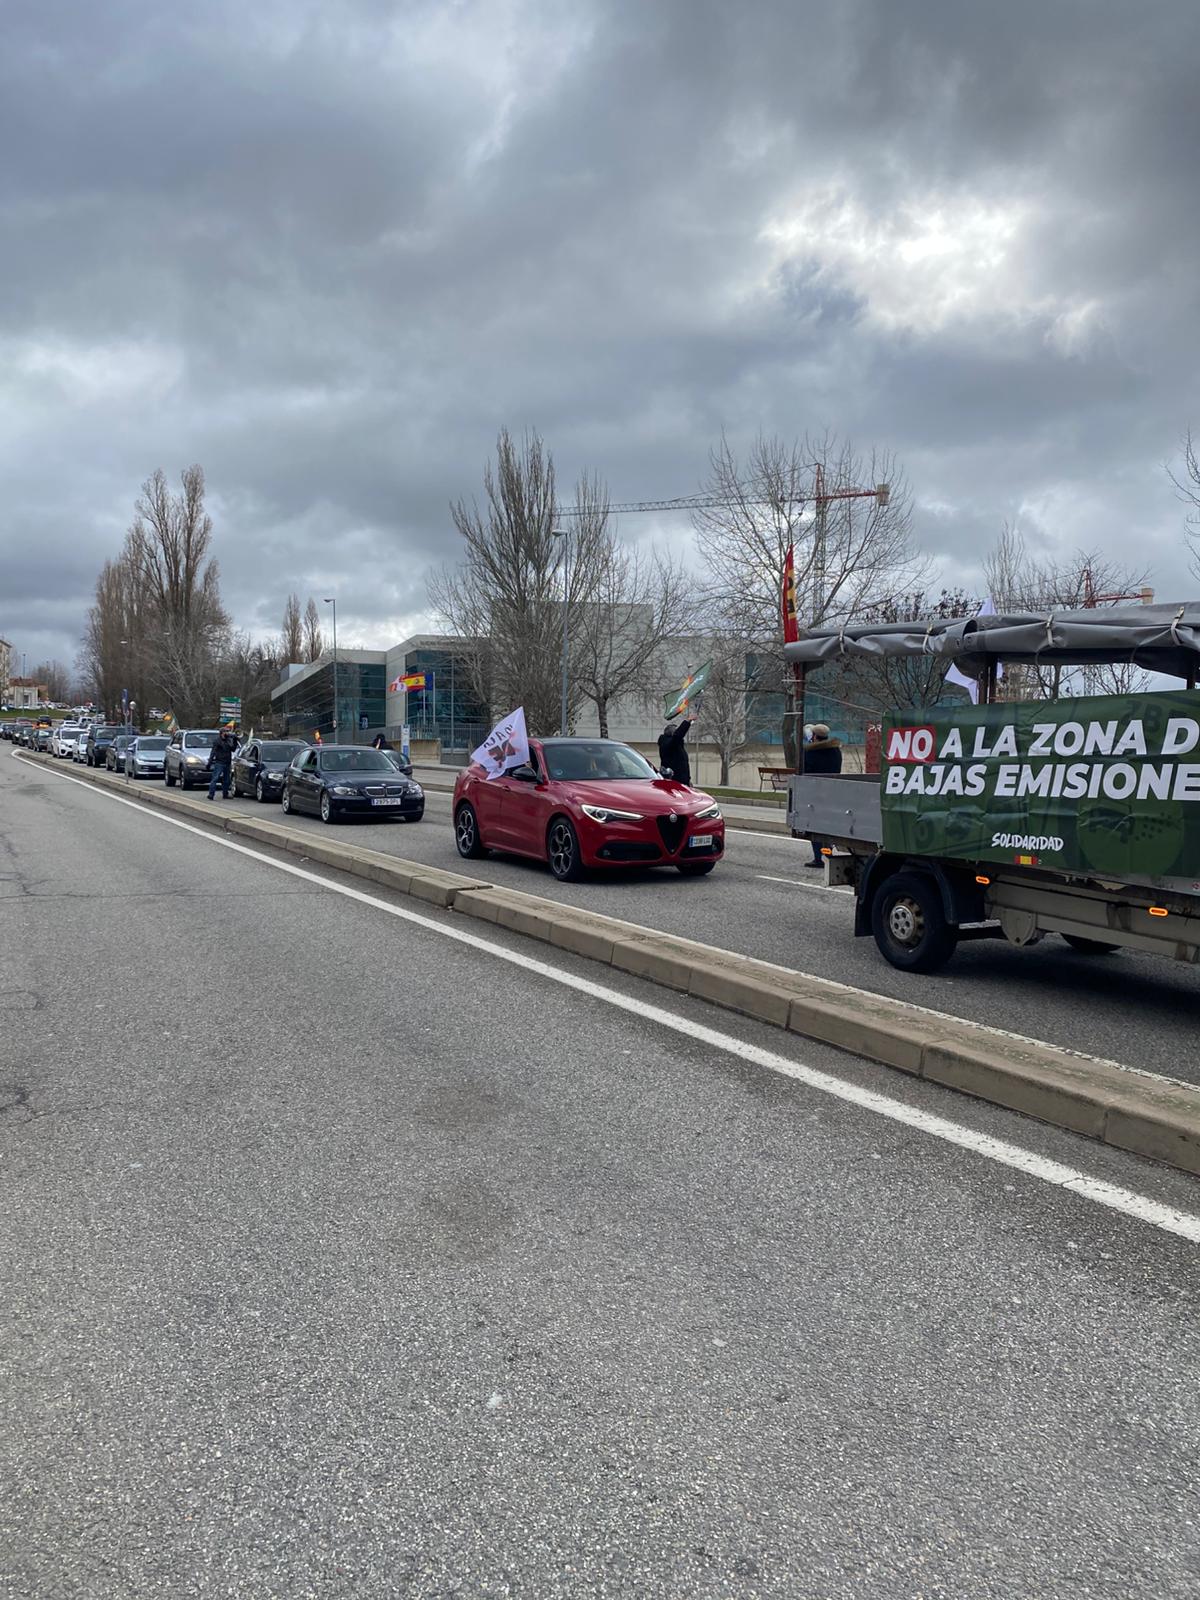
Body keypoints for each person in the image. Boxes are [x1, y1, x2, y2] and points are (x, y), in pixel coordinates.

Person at [801, 722, 842, 867]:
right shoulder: (836, 751)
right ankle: (828, 854)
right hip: (832, 792)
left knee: (815, 828)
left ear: (815, 736)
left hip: (816, 793)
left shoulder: (811, 752)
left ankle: (819, 858)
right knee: (827, 827)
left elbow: (805, 770)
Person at [657, 717, 694, 786]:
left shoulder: (674, 745)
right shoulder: (669, 744)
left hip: (681, 780)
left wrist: (687, 780)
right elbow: (678, 735)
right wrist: (687, 721)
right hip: (675, 781)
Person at [206, 724, 239, 800]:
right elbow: (213, 752)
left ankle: (225, 794)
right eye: (226, 731)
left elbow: (233, 749)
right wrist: (209, 762)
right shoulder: (217, 741)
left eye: (228, 731)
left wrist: (235, 741)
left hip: (227, 762)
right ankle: (211, 794)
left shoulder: (228, 740)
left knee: (227, 779)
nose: (228, 733)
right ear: (222, 733)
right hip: (219, 762)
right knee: (215, 778)